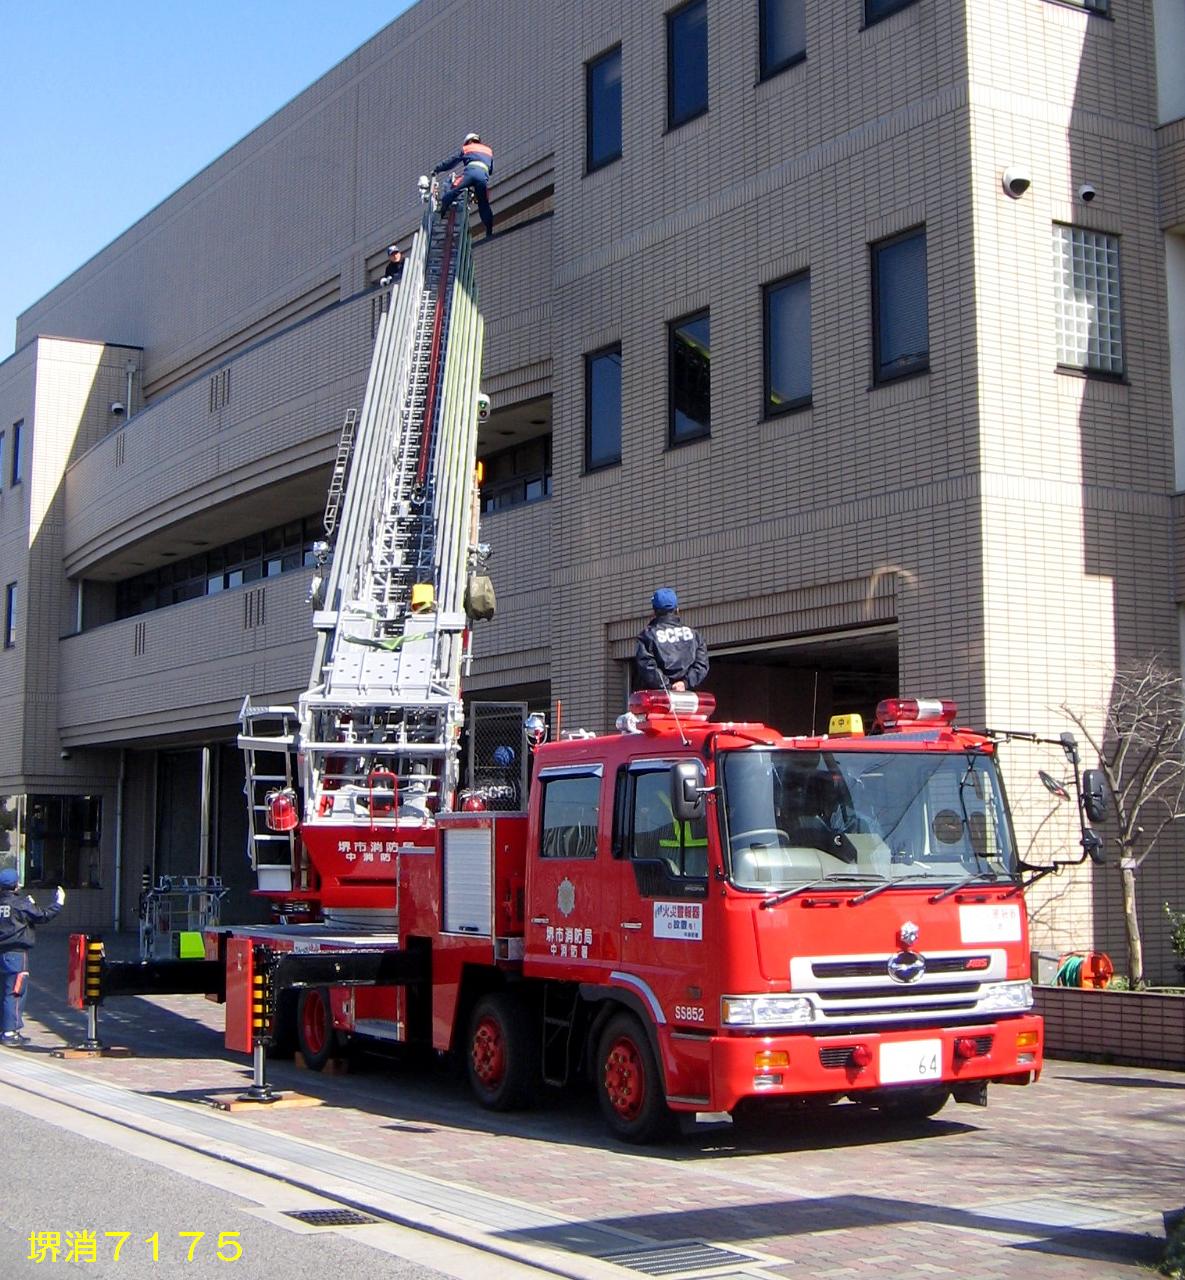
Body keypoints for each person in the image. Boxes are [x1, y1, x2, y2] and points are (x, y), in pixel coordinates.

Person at [0, 865, 64, 1047]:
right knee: (15, 991)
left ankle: (3, 1028)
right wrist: (58, 903)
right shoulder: (21, 904)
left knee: (2, 991)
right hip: (16, 954)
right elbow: (42, 916)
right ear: (15, 886)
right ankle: (10, 1032)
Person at [634, 587, 709, 692]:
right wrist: (685, 683)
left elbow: (647, 666)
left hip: (659, 700)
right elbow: (701, 665)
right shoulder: (694, 635)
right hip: (688, 699)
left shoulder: (647, 636)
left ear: (654, 611)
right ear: (677, 609)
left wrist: (667, 686)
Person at [433, 133, 495, 237]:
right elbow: (491, 170)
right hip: (483, 176)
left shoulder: (467, 148)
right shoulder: (488, 150)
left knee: (454, 191)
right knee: (483, 203)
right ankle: (489, 230)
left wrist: (437, 169)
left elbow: (452, 162)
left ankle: (442, 209)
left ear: (469, 141)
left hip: (471, 173)